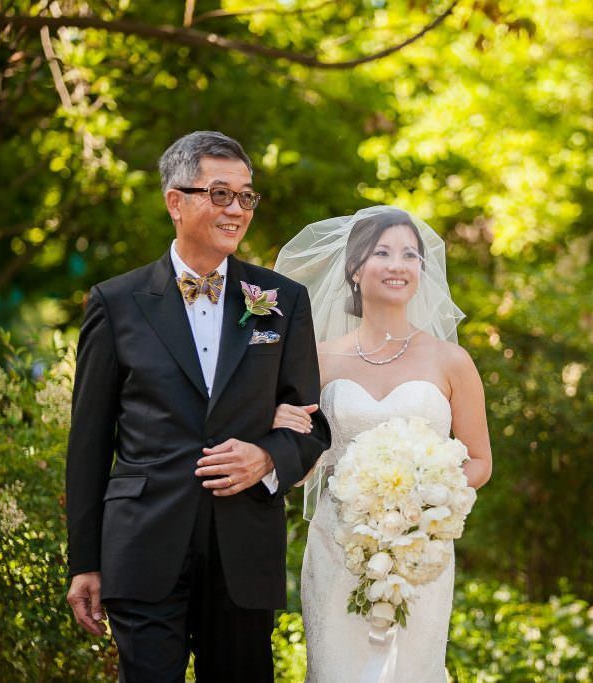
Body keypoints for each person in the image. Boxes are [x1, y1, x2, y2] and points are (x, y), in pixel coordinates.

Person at [64, 130, 331, 682]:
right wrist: (84, 561)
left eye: (246, 196)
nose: (236, 209)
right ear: (175, 201)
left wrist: (266, 456)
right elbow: (88, 443)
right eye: (219, 193)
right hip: (143, 543)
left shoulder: (283, 302)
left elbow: (311, 424)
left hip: (244, 547)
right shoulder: (115, 303)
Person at [272, 206, 492, 682]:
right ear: (354, 269)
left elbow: (479, 461)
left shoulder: (451, 361)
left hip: (418, 551)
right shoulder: (319, 360)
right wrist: (282, 435)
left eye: (410, 255)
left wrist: (430, 492)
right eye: (383, 252)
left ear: (421, 271)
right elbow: (305, 465)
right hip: (338, 546)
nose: (399, 264)